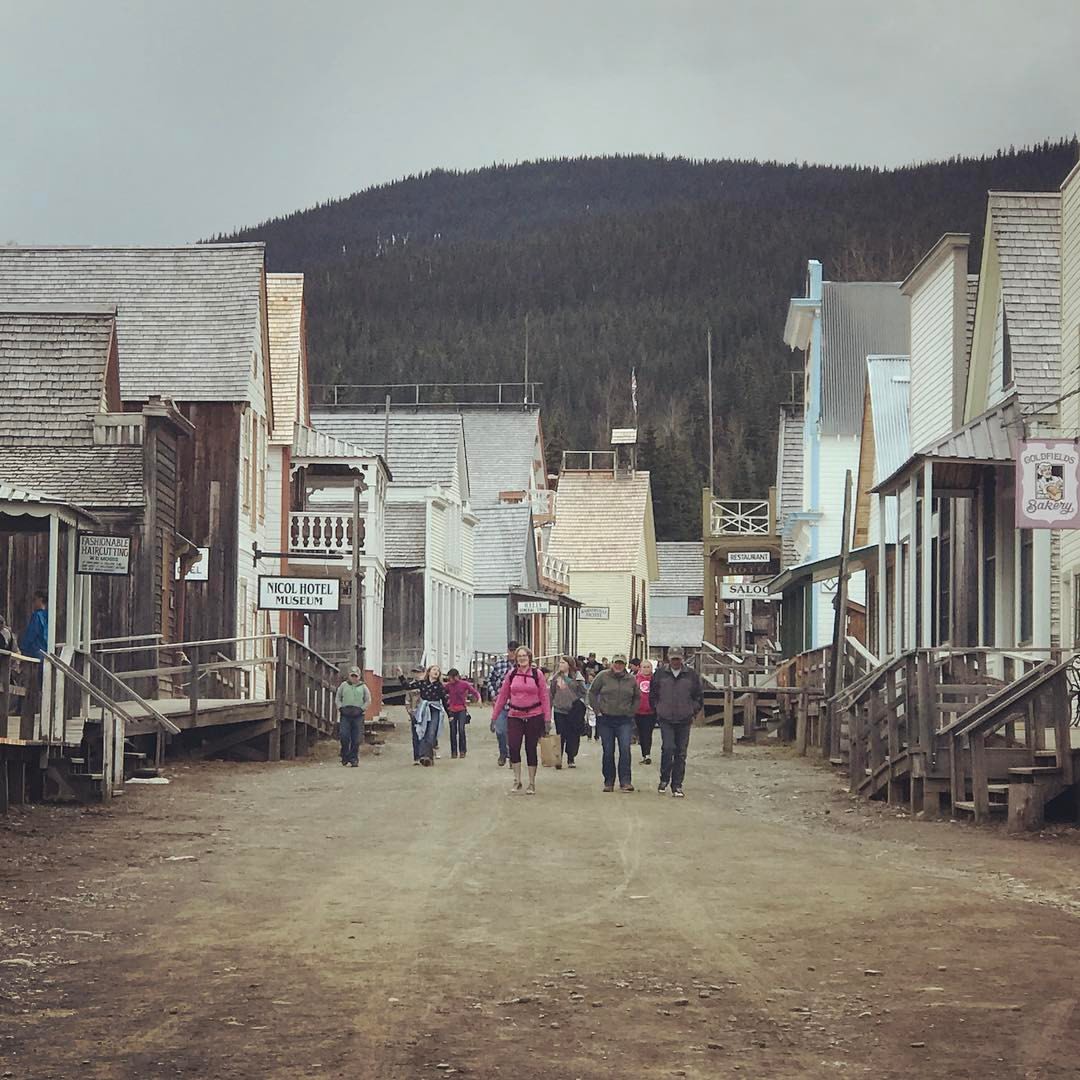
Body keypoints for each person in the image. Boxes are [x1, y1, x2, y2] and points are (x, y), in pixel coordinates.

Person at [490, 646, 551, 794]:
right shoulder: (511, 675)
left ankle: (531, 782)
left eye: (524, 656)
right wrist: (494, 717)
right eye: (519, 656)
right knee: (514, 747)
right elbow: (502, 696)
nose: (522, 658)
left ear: (529, 658)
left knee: (531, 748)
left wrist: (547, 719)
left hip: (534, 716)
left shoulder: (538, 675)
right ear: (516, 659)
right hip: (515, 715)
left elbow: (544, 697)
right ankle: (517, 780)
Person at [649, 646, 704, 798]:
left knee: (681, 753)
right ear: (668, 658)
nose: (675, 661)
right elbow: (653, 695)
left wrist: (692, 711)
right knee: (668, 748)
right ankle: (664, 779)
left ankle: (677, 785)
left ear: (682, 658)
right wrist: (658, 710)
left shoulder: (691, 675)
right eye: (673, 658)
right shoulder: (660, 674)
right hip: (665, 718)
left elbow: (698, 696)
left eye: (677, 658)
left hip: (684, 719)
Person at [588, 653, 640, 792]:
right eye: (616, 663)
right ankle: (609, 781)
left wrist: (632, 712)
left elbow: (637, 697)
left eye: (621, 663)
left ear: (625, 665)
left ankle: (625, 781)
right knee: (608, 751)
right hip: (606, 719)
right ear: (612, 663)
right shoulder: (602, 676)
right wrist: (597, 710)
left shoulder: (631, 680)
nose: (618, 666)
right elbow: (592, 693)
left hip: (624, 720)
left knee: (625, 749)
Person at [398, 664, 449, 767]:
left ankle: (428, 756)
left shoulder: (440, 686)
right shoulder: (422, 684)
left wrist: (450, 714)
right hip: (424, 710)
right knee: (422, 732)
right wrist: (401, 675)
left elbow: (445, 701)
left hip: (435, 709)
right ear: (429, 672)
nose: (436, 672)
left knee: (431, 733)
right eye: (434, 670)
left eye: (438, 671)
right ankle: (424, 757)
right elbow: (407, 687)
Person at [550, 656, 587, 768]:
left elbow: (583, 692)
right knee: (560, 734)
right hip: (559, 710)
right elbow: (552, 692)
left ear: (569, 664)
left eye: (563, 662)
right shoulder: (556, 677)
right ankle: (558, 758)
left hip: (573, 711)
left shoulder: (577, 677)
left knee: (572, 735)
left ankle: (571, 758)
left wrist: (581, 704)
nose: (560, 664)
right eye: (560, 662)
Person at [487, 641, 518, 767]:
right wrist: (494, 693)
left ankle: (512, 755)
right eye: (510, 651)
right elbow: (490, 679)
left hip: (515, 704)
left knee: (512, 732)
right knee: (500, 731)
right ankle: (503, 752)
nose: (511, 654)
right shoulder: (499, 664)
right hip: (501, 703)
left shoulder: (521, 666)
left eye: (514, 651)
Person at [336, 666, 370, 767]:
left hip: (358, 714)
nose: (354, 678)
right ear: (349, 676)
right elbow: (338, 697)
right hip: (345, 714)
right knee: (344, 735)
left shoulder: (363, 687)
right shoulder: (343, 685)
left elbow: (368, 700)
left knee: (357, 738)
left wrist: (362, 709)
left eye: (356, 676)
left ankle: (354, 758)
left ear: (359, 676)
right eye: (352, 676)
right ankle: (345, 755)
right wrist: (340, 707)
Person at [445, 668, 480, 759]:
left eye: (451, 678)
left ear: (456, 677)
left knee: (461, 729)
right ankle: (454, 751)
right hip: (452, 710)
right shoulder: (448, 686)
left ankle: (462, 750)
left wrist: (479, 699)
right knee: (453, 731)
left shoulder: (464, 684)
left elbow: (474, 692)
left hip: (461, 709)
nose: (450, 680)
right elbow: (441, 692)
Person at [634, 659, 657, 765]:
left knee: (647, 733)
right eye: (644, 667)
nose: (646, 669)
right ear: (640, 668)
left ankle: (647, 754)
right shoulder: (635, 679)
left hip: (651, 711)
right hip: (638, 711)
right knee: (641, 734)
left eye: (648, 667)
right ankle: (644, 753)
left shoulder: (655, 679)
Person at [19, 590, 48, 661]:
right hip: (45, 650)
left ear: (40, 600)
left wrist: (23, 647)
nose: (33, 603)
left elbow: (31, 633)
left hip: (35, 651)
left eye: (35, 600)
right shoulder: (48, 616)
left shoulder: (37, 615)